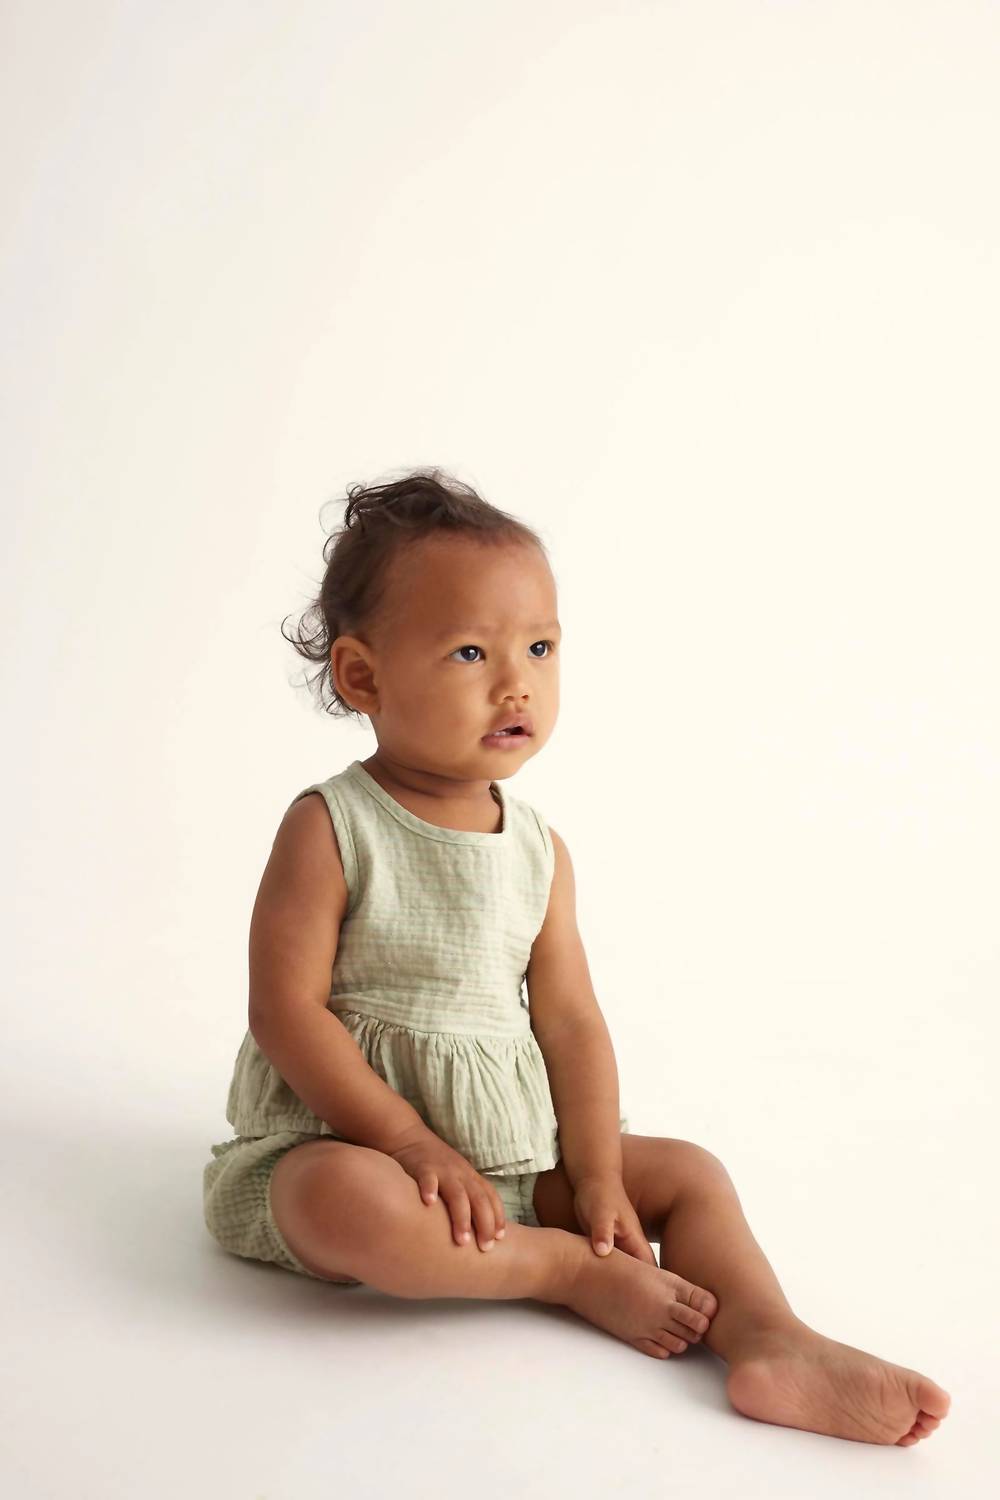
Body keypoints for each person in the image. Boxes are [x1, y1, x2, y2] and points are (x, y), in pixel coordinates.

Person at [203, 468, 950, 1448]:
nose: (516, 682)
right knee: (342, 1204)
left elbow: (570, 1022)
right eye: (471, 651)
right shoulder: (333, 826)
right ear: (363, 677)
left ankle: (772, 1338)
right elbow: (286, 1013)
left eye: (540, 648)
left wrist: (595, 1175)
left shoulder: (538, 850)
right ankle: (558, 1271)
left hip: (513, 1154)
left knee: (688, 1173)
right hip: (356, 1146)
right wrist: (411, 1146)